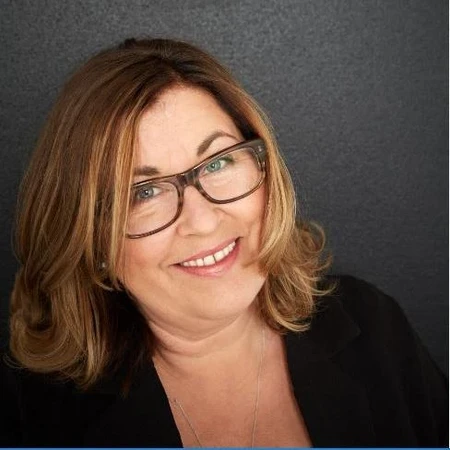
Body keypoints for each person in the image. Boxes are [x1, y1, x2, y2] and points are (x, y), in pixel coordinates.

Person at [0, 37, 447, 448]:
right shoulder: (34, 421)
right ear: (91, 241)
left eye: (217, 163)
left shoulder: (376, 329)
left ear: (264, 169)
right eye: (144, 192)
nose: (202, 220)